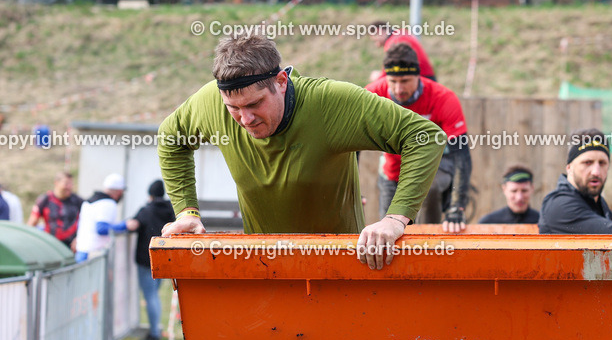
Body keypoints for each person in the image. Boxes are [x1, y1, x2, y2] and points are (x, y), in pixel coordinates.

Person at [157, 33, 444, 270]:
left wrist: (395, 218)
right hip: (266, 268)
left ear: (281, 82)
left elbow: (426, 137)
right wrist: (186, 212)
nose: (245, 119)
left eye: (255, 104)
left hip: (342, 268)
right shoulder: (210, 102)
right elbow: (171, 137)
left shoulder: (331, 103)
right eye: (234, 108)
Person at [365, 43, 472, 233]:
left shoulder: (442, 98)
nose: (398, 89)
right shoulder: (372, 95)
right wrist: (352, 192)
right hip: (392, 170)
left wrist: (458, 205)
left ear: (418, 75)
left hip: (435, 165)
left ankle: (431, 242)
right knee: (386, 232)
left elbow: (461, 154)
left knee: (429, 190)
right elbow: (350, 148)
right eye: (393, 81)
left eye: (405, 81)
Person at [127, 180, 173, 340]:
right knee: (155, 295)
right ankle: (155, 329)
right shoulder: (171, 210)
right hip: (164, 259)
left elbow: (132, 225)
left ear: (150, 195)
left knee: (150, 296)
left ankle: (154, 334)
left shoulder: (146, 210)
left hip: (147, 260)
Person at [74, 174, 128, 261]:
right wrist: (125, 225)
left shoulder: (89, 201)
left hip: (82, 251)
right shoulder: (108, 203)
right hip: (93, 255)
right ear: (119, 191)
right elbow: (101, 229)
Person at [28, 172, 84, 249]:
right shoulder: (45, 199)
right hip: (50, 245)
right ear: (56, 183)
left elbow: (87, 221)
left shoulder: (77, 200)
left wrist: (79, 239)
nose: (69, 187)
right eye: (66, 184)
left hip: (71, 246)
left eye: (71, 184)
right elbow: (32, 223)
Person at [368, 20, 436, 82]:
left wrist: (377, 79)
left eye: (375, 41)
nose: (377, 45)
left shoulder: (393, 42)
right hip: (427, 76)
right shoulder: (401, 33)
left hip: (419, 79)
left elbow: (389, 69)